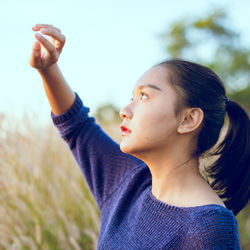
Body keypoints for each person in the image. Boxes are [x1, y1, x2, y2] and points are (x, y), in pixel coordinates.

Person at [30, 24, 249, 249]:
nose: (125, 110)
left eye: (144, 96)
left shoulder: (208, 229)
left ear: (188, 119)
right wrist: (48, 69)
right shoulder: (128, 182)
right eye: (132, 96)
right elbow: (77, 127)